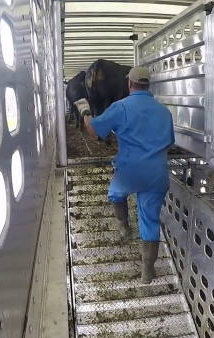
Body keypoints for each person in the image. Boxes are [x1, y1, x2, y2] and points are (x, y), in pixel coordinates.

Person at [74, 67, 175, 284]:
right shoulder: (164, 112)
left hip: (129, 171)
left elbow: (93, 130)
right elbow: (168, 145)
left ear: (129, 84)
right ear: (148, 85)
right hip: (157, 172)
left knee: (116, 194)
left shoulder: (121, 107)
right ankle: (147, 270)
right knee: (150, 220)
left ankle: (123, 224)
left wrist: (84, 111)